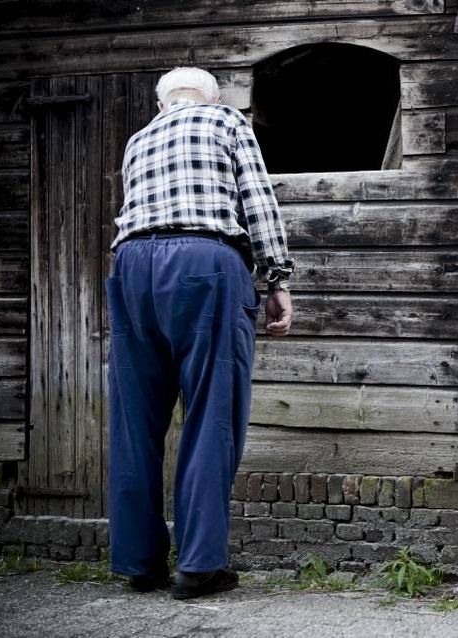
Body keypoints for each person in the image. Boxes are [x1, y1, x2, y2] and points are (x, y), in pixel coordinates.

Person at [106, 67, 294, 600]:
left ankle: (140, 564)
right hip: (204, 261)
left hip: (132, 266)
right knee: (212, 411)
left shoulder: (138, 139)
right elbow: (257, 199)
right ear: (211, 96)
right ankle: (197, 566)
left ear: (163, 103)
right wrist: (276, 277)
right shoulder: (226, 120)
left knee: (134, 418)